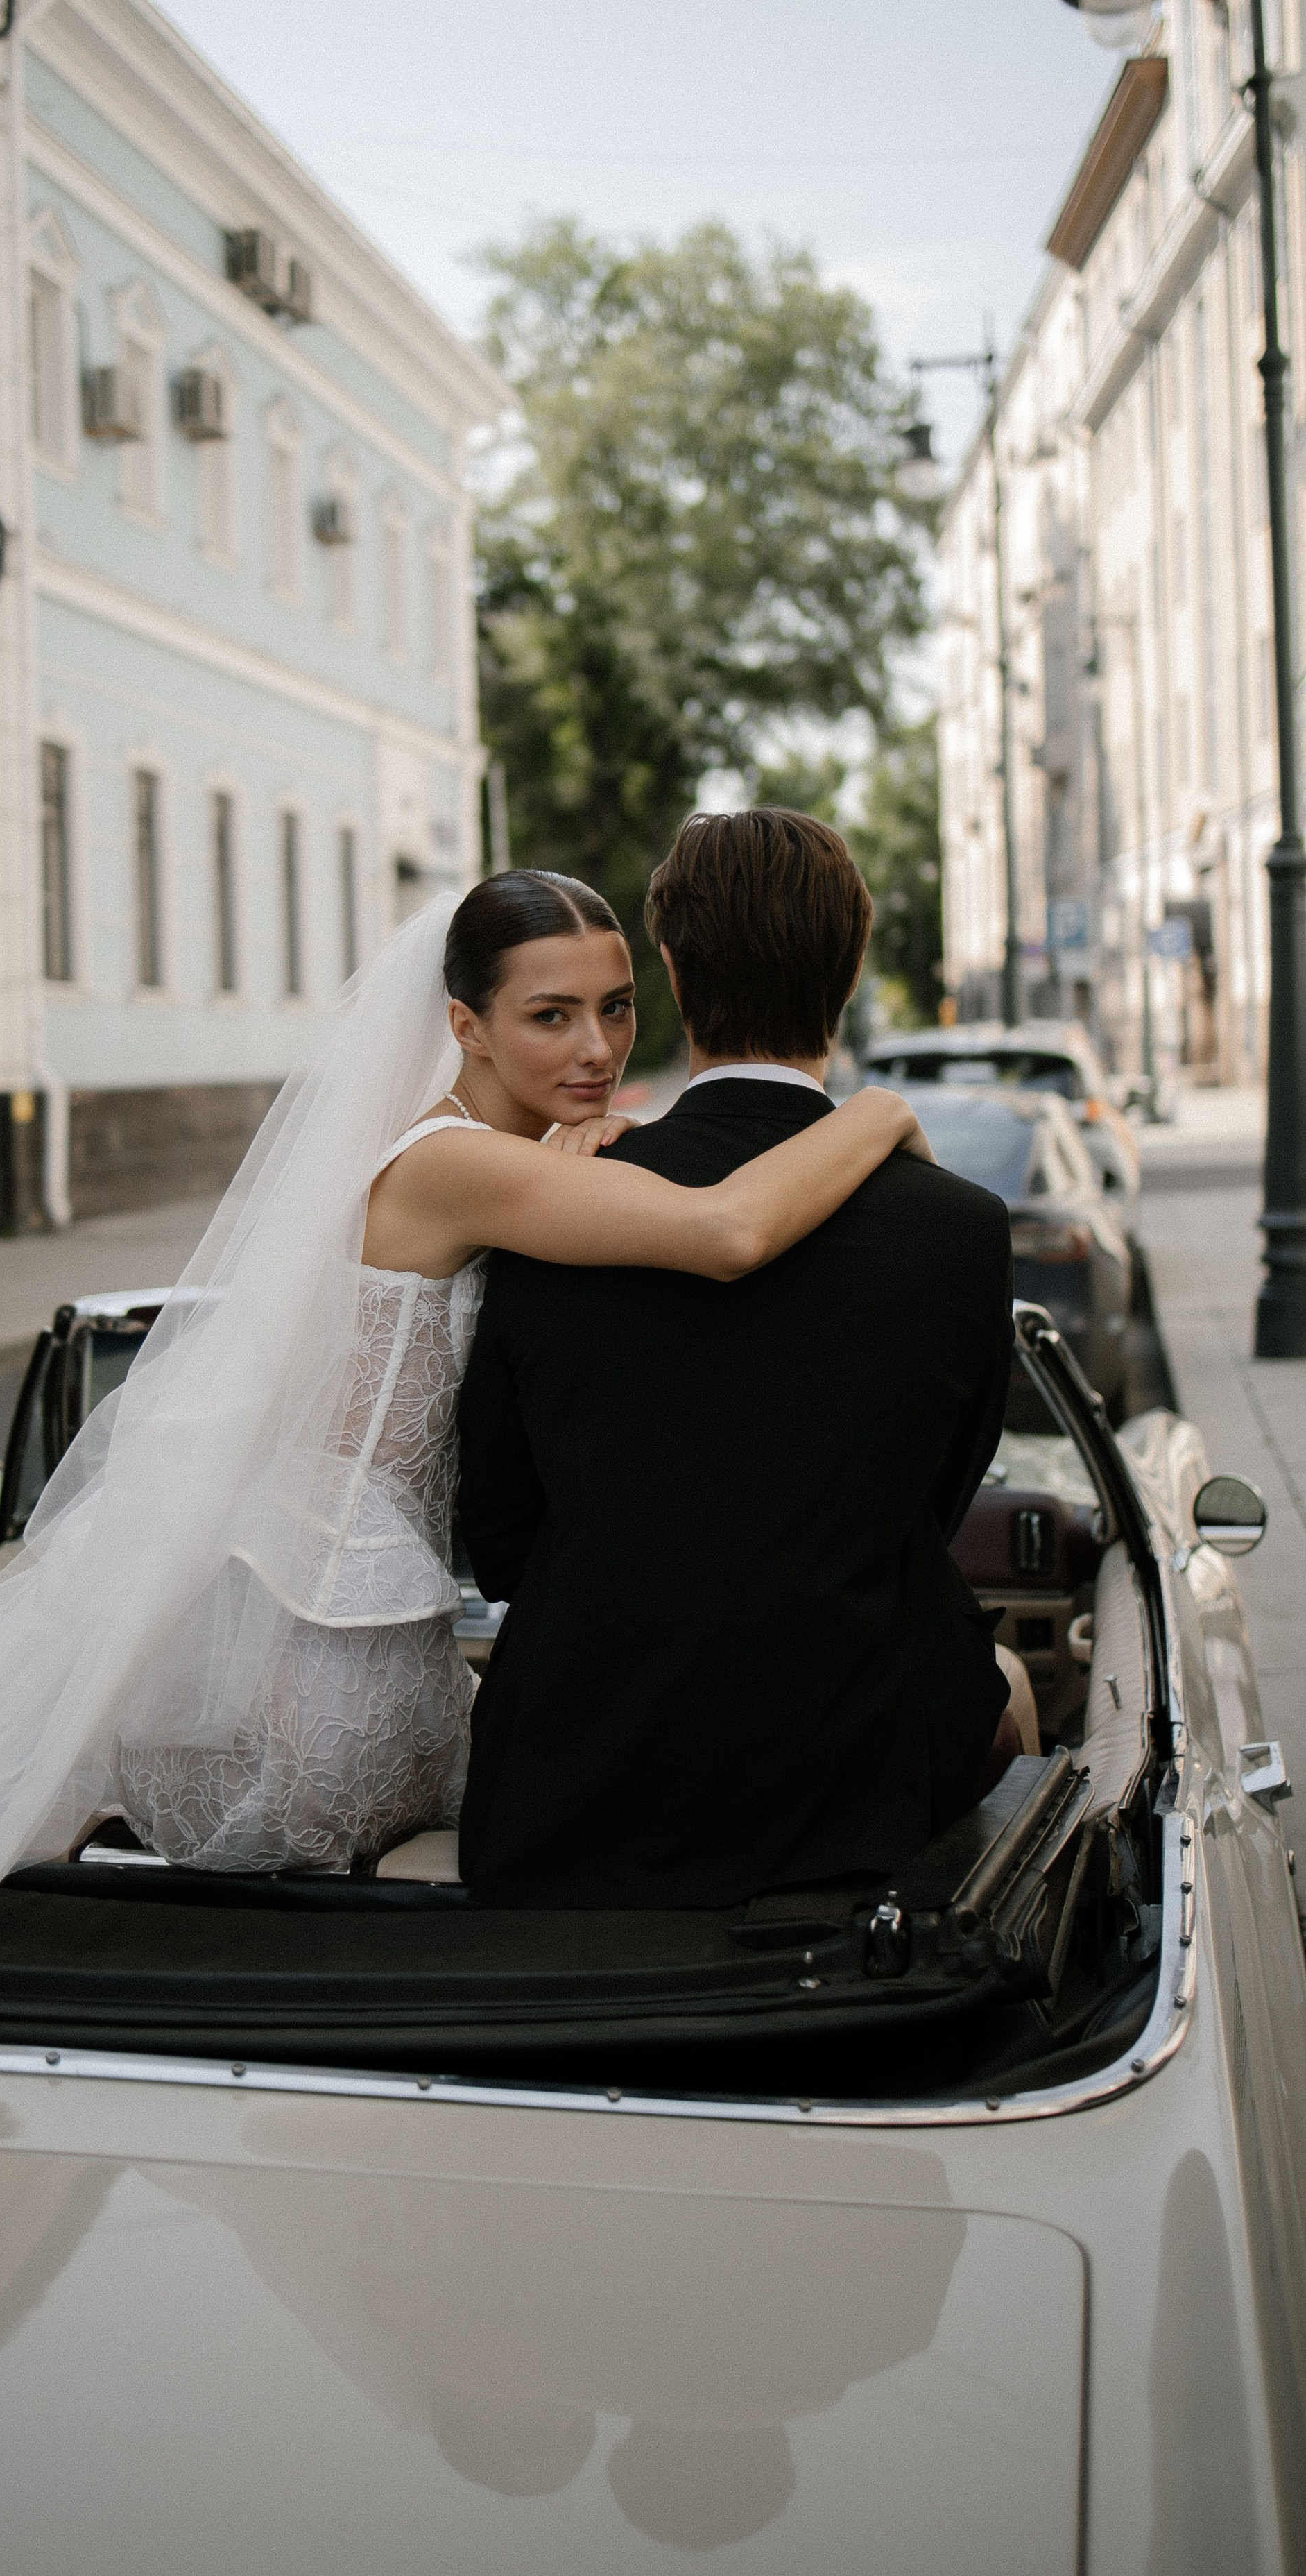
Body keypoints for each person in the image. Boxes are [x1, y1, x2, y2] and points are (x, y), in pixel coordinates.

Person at [0, 875, 925, 2042]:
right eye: (550, 1017)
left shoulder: (475, 1154)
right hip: (324, 1682)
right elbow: (727, 1231)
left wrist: (561, 1153)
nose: (596, 1050)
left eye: (615, 1007)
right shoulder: (452, 1166)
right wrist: (876, 1111)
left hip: (340, 1641)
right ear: (464, 1024)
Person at [456, 810, 1018, 1911]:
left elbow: (507, 1548)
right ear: (851, 969)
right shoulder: (962, 1226)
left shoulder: (561, 1202)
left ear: (667, 967)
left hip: (568, 1807)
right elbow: (934, 1501)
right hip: (848, 1806)